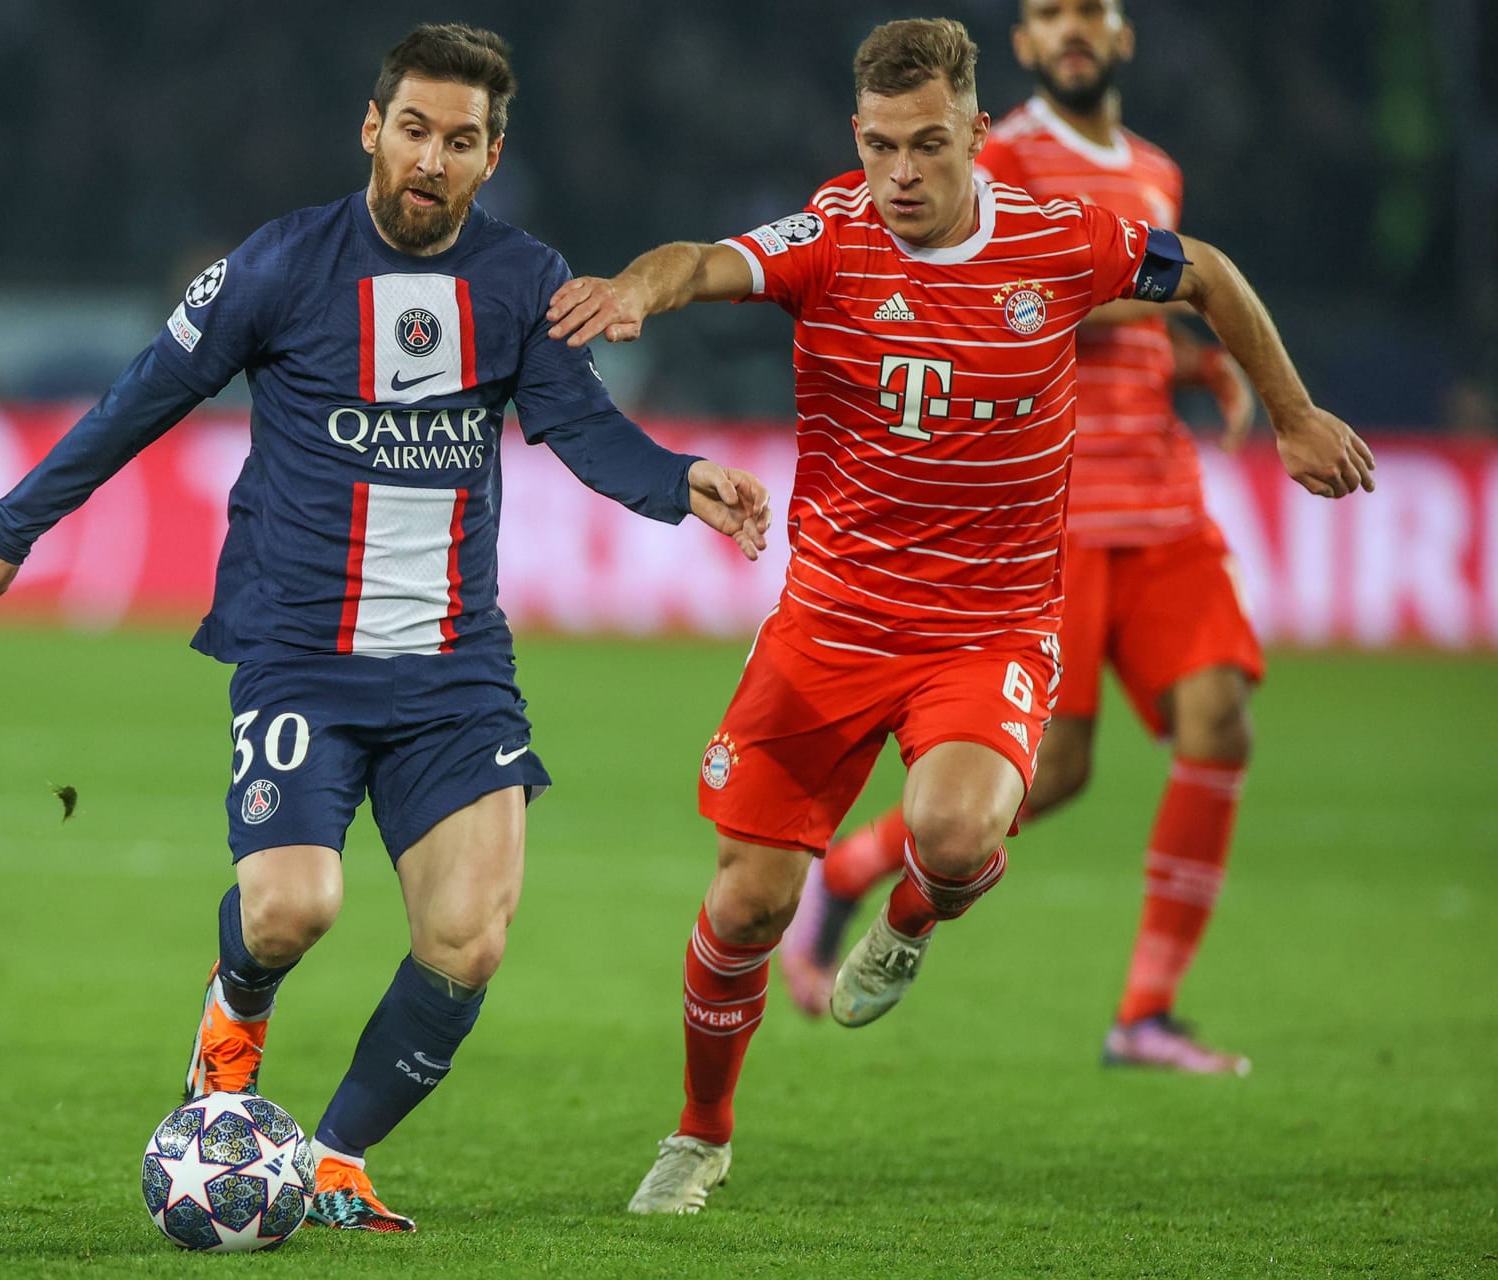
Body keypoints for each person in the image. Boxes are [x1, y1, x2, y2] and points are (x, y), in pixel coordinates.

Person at [0, 23, 771, 1234]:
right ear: (372, 128)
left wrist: (680, 477)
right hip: (300, 652)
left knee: (468, 940)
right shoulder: (281, 265)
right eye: (413, 129)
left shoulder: (523, 279)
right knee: (292, 907)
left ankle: (332, 1158)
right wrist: (9, 531)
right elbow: (141, 400)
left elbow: (579, 423)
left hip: (455, 666)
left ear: (492, 154)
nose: (432, 157)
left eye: (460, 140)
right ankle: (233, 1016)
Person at [545, 16, 1372, 1214]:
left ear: (978, 134)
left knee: (955, 826)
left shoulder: (1061, 240)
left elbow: (1206, 274)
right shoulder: (831, 235)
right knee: (748, 900)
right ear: (857, 138)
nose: (903, 176)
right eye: (881, 147)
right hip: (830, 621)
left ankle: (914, 915)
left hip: (988, 628)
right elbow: (705, 259)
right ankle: (701, 1132)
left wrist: (1291, 410)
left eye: (929, 146)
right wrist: (635, 288)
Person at [779, 0, 1267, 1077]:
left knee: (1221, 720)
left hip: (1165, 497)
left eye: (1090, 10)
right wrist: (1180, 308)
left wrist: (1201, 352)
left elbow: (1123, 312)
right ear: (1028, 44)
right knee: (1056, 773)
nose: (1073, 29)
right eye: (1049, 13)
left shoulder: (1155, 170)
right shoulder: (993, 158)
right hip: (1054, 507)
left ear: (1126, 32)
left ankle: (1146, 1010)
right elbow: (1016, 298)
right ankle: (860, 860)